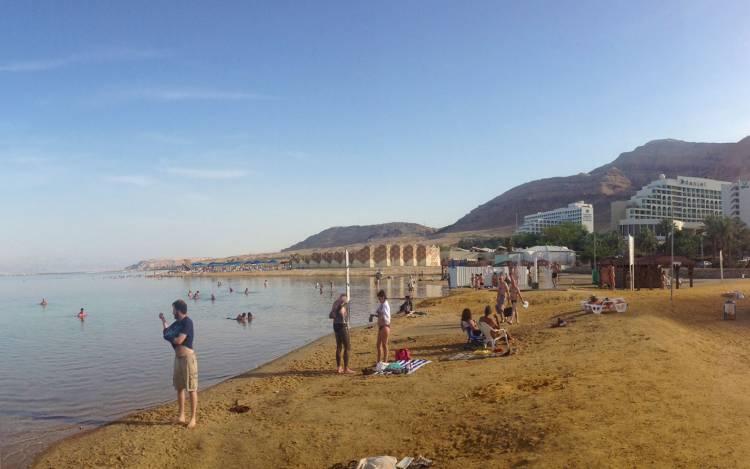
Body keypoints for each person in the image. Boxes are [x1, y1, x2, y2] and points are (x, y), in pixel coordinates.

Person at [159, 299, 198, 429]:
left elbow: (179, 340)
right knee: (179, 388)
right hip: (178, 359)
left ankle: (193, 418)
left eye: (174, 310)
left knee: (191, 388)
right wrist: (163, 321)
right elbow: (168, 332)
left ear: (179, 310)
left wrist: (169, 337)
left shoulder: (188, 322)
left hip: (188, 359)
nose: (172, 312)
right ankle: (181, 416)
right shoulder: (177, 323)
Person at [329, 294, 354, 373]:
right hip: (342, 326)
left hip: (335, 325)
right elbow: (338, 313)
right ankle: (346, 368)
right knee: (347, 347)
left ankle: (339, 367)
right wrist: (341, 306)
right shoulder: (343, 304)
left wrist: (336, 310)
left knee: (339, 347)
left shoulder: (335, 303)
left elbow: (330, 315)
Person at [372, 290, 391, 364]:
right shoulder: (382, 304)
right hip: (381, 327)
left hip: (385, 326)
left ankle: (385, 361)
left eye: (379, 298)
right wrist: (374, 315)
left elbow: (385, 317)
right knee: (378, 345)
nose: (379, 300)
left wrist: (379, 314)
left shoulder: (385, 305)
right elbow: (378, 313)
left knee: (384, 345)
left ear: (383, 297)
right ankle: (378, 361)